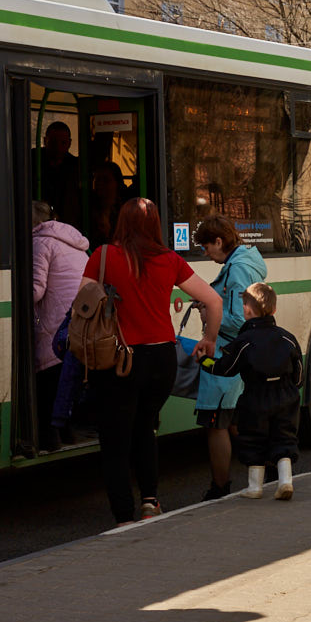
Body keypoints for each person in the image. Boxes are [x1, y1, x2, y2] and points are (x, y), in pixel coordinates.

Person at [79, 198, 222, 526]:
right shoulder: (170, 260)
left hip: (120, 360)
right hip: (162, 360)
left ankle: (123, 517)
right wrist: (209, 340)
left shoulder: (103, 256)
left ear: (121, 223)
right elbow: (213, 301)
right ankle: (149, 502)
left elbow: (83, 300)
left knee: (116, 439)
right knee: (145, 428)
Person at [200, 282, 302, 500]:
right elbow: (299, 371)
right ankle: (285, 481)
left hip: (256, 396)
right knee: (284, 437)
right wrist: (293, 388)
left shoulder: (244, 341)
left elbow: (225, 368)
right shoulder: (287, 338)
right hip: (285, 395)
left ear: (246, 310)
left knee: (254, 438)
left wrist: (204, 361)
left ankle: (254, 487)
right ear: (274, 310)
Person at [192, 215, 268, 500]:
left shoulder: (236, 271)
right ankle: (266, 467)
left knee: (216, 423)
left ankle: (220, 487)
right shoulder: (247, 262)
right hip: (239, 356)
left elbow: (238, 319)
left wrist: (209, 312)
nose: (205, 252)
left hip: (226, 355)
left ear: (219, 242)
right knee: (234, 421)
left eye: (206, 246)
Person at [32, 201, 89, 451]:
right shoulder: (76, 243)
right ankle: (67, 433)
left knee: (46, 379)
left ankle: (50, 436)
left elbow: (35, 290)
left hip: (54, 320)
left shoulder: (40, 243)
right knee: (64, 377)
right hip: (78, 319)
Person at [32, 122, 80, 227]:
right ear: (45, 141)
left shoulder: (75, 166)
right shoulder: (31, 160)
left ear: (69, 143)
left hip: (67, 225)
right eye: (53, 142)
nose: (58, 148)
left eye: (63, 143)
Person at [90, 161, 130, 248]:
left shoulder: (127, 212)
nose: (100, 184)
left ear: (117, 183)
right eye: (97, 179)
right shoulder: (88, 210)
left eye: (105, 180)